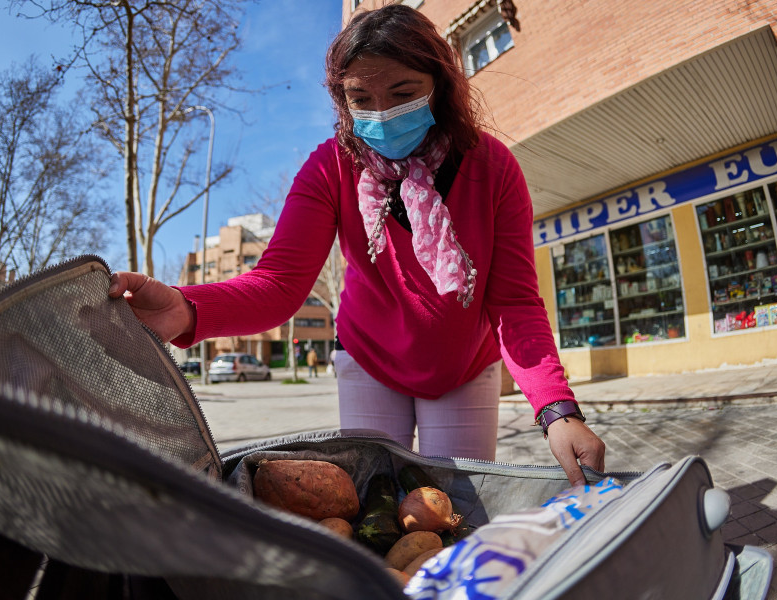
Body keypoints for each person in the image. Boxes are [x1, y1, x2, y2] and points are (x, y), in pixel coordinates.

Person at [108, 4, 605, 486]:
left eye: (403, 91)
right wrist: (187, 309)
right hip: (368, 362)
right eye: (360, 99)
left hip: (464, 369)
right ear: (341, 100)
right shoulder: (330, 167)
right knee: (371, 507)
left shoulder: (493, 167)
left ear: (440, 86)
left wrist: (556, 410)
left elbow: (515, 304)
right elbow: (278, 284)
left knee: (460, 509)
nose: (382, 114)